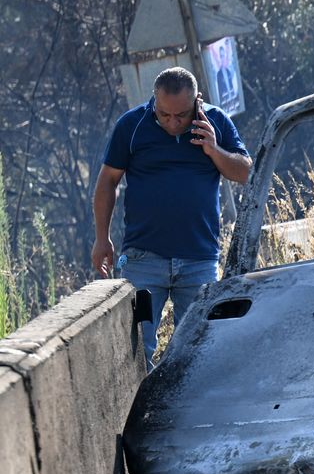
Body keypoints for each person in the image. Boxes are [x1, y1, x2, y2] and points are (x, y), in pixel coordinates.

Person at [90, 67, 250, 364]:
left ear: (197, 103)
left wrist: (214, 150)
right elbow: (107, 182)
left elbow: (244, 172)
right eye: (165, 115)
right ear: (154, 101)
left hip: (199, 261)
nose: (173, 123)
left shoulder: (215, 121)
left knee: (197, 353)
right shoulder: (132, 125)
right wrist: (102, 238)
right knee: (137, 353)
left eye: (182, 116)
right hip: (142, 261)